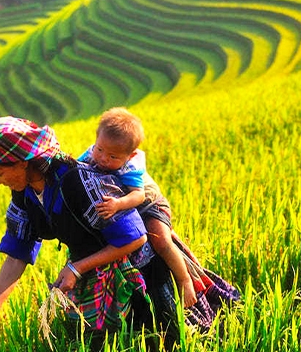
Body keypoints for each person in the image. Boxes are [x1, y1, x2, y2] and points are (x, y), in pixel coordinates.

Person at [0, 116, 182, 352]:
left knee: (164, 342)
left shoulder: (78, 181)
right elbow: (18, 252)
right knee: (105, 351)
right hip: (92, 273)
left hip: (141, 273)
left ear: (22, 162)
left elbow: (134, 237)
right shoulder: (24, 194)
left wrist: (77, 268)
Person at [78, 107, 239, 326]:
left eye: (113, 156)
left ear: (130, 155)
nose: (103, 159)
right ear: (96, 141)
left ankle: (184, 281)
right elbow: (77, 168)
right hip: (128, 210)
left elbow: (138, 195)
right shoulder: (94, 152)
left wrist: (117, 204)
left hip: (149, 205)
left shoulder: (131, 167)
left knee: (161, 241)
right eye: (100, 150)